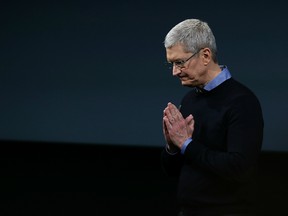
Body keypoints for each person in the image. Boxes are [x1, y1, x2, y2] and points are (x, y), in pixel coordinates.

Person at [161, 19, 264, 216]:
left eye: (180, 62)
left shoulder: (242, 101)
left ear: (206, 55)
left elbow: (239, 168)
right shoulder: (190, 99)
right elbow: (173, 171)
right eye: (171, 64)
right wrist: (172, 147)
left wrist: (187, 145)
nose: (175, 72)